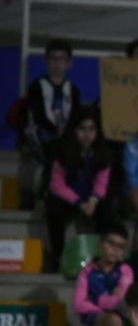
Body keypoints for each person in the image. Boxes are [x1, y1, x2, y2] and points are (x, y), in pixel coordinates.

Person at [46, 107, 114, 267]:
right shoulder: (62, 151)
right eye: (82, 128)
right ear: (73, 130)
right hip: (69, 198)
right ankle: (58, 256)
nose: (87, 134)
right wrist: (78, 202)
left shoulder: (104, 153)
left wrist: (93, 200)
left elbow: (102, 183)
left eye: (92, 129)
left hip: (91, 199)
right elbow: (57, 185)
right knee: (54, 209)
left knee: (107, 211)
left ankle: (102, 257)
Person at [21, 39, 80, 207]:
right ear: (46, 61)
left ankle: (70, 196)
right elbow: (37, 115)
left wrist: (66, 132)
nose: (57, 63)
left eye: (61, 59)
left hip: (65, 137)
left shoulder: (73, 89)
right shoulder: (37, 86)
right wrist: (55, 131)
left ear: (69, 63)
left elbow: (76, 116)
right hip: (42, 137)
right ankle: (43, 195)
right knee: (53, 152)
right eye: (53, 58)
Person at [73, 226, 133, 326]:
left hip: (120, 322)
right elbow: (78, 305)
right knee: (112, 320)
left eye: (121, 246)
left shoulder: (125, 270)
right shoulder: (87, 272)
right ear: (100, 245)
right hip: (94, 323)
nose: (115, 250)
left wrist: (96, 300)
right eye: (111, 243)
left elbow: (121, 300)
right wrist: (105, 304)